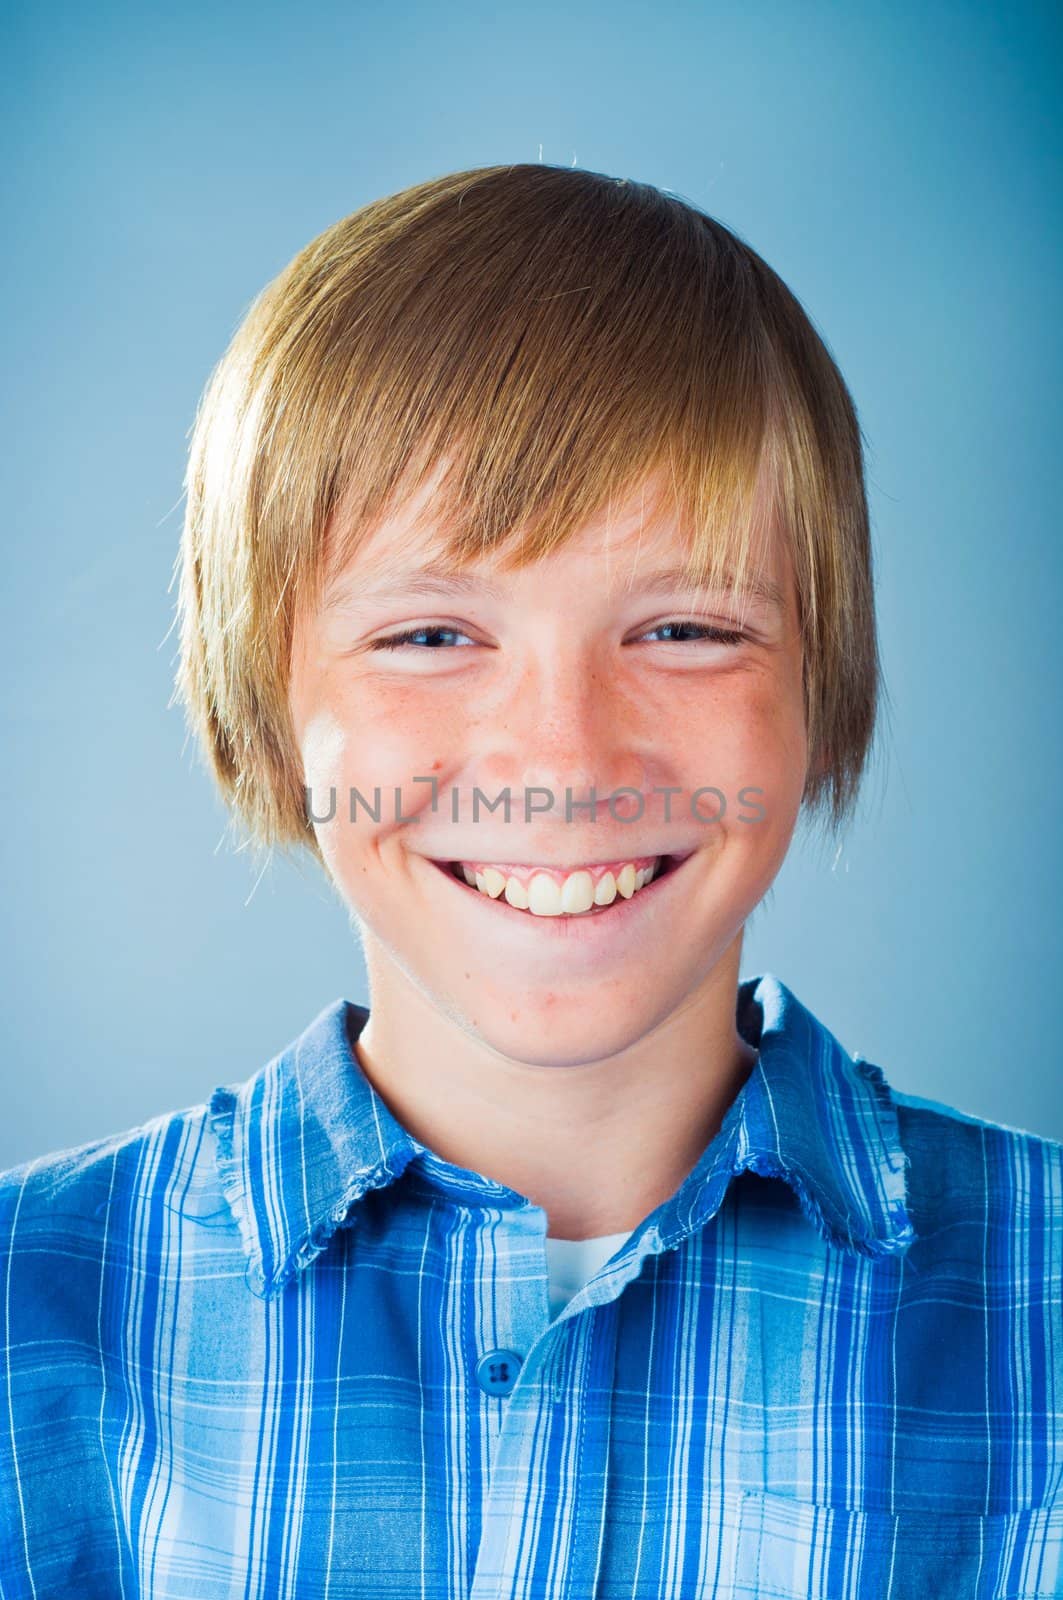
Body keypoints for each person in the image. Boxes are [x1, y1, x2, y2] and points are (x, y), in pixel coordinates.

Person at [1, 163, 1060, 1599]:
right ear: (265, 702)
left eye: (686, 629)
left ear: (823, 688)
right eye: (431, 636)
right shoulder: (31, 1315)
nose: (563, 759)